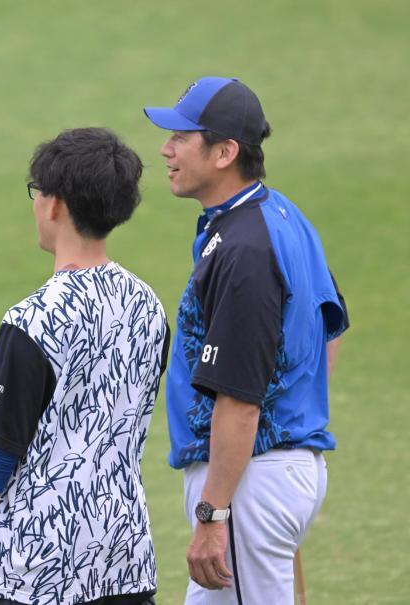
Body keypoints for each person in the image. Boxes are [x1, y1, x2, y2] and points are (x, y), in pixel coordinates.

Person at [0, 127, 169, 605]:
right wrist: (16, 402)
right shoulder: (148, 305)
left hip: (39, 569)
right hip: (124, 557)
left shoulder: (31, 320)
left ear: (57, 204)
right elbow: (103, 405)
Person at [142, 77, 348, 603]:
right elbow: (329, 330)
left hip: (247, 484)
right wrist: (293, 409)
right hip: (266, 474)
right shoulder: (282, 217)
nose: (166, 149)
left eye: (181, 137)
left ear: (224, 152)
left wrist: (215, 512)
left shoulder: (245, 250)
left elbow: (238, 395)